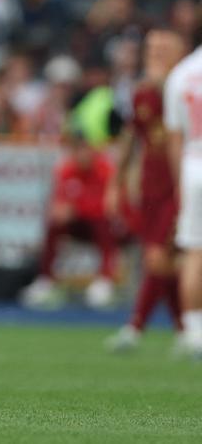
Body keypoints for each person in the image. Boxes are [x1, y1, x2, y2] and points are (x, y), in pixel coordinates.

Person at [105, 30, 185, 352]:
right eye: (151, 48)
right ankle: (186, 330)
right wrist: (117, 183)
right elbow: (132, 138)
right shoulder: (141, 92)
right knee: (164, 261)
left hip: (181, 185)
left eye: (163, 48)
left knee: (159, 258)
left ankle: (136, 327)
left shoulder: (187, 87)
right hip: (151, 187)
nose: (155, 53)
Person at [20, 126, 118, 309]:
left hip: (99, 224)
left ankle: (105, 280)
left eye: (85, 149)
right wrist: (67, 210)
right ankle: (46, 280)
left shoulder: (105, 169)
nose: (82, 154)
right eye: (78, 149)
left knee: (104, 225)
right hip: (77, 224)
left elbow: (107, 206)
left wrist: (77, 207)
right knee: (54, 225)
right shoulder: (66, 170)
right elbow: (58, 205)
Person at [163, 32, 202, 358]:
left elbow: (174, 137)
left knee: (194, 251)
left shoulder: (181, 73)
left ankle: (192, 329)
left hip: (193, 164)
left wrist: (179, 182)